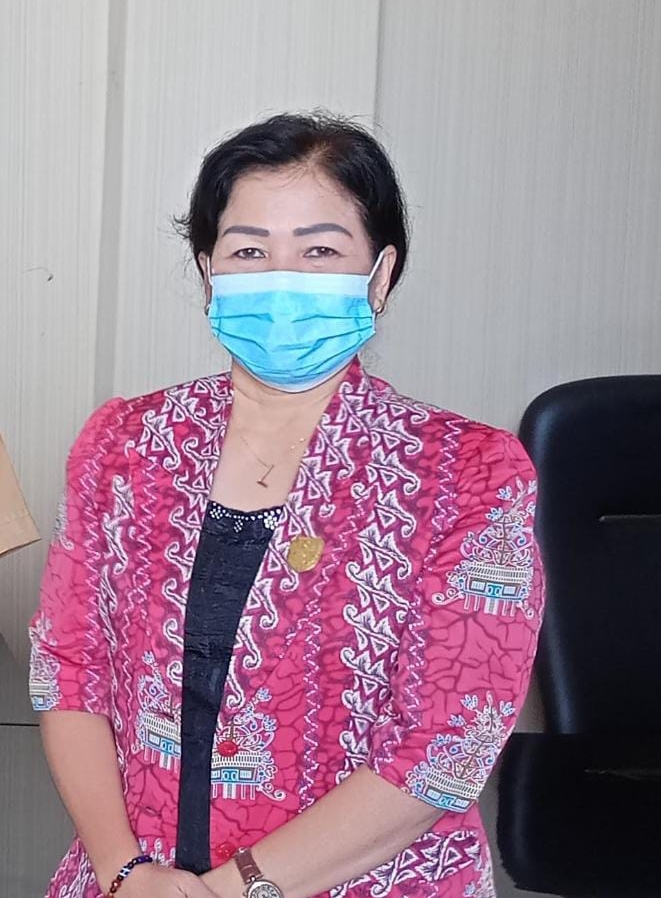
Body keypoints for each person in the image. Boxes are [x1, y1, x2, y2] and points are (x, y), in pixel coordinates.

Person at [29, 112, 544, 898]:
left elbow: (446, 743)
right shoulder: (124, 445)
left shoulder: (467, 473)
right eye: (248, 250)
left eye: (319, 250)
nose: (281, 278)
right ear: (208, 272)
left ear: (380, 274)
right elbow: (70, 672)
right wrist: (125, 871)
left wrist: (227, 892)